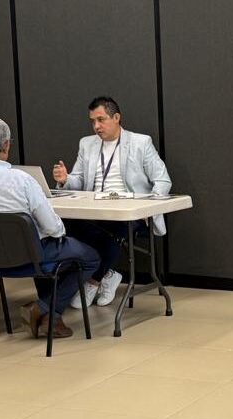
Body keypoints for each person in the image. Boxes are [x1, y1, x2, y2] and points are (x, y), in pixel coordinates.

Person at [0, 116, 99, 338]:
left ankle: (51, 317)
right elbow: (53, 228)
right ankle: (46, 308)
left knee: (43, 245)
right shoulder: (23, 180)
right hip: (28, 258)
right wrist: (58, 229)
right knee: (90, 257)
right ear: (6, 145)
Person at [51, 96, 171, 309]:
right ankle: (109, 273)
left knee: (115, 227)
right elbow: (78, 181)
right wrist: (65, 179)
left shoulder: (140, 143)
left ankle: (93, 280)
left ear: (116, 117)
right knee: (66, 223)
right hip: (95, 208)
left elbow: (163, 181)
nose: (96, 126)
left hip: (130, 211)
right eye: (92, 121)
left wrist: (147, 207)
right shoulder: (86, 144)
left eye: (101, 120)